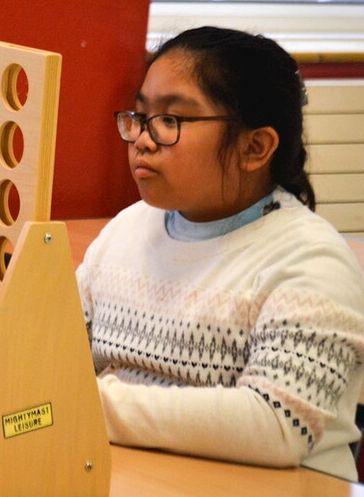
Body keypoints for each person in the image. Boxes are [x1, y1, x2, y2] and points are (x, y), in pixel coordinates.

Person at [76, 26, 364, 480]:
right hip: (140, 476)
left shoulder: (312, 262)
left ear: (254, 148)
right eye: (141, 115)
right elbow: (54, 355)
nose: (143, 139)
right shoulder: (125, 231)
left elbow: (276, 424)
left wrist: (80, 404)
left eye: (171, 120)